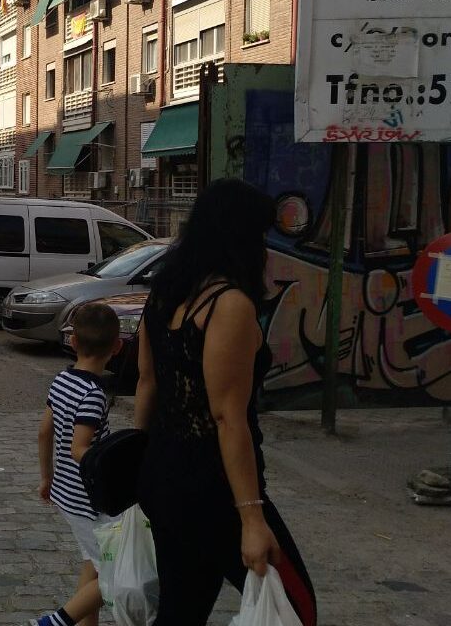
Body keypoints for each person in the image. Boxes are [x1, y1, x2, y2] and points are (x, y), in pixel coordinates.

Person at [133, 178, 316, 626]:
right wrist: (251, 519)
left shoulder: (165, 294)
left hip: (165, 474)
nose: (265, 247)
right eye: (259, 236)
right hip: (213, 488)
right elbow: (226, 416)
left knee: (182, 610)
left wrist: (140, 465)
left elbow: (147, 382)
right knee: (295, 606)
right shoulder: (227, 304)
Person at [29, 303, 122, 626]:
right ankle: (57, 621)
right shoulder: (94, 394)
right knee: (114, 572)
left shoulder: (62, 380)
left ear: (73, 342)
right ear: (117, 346)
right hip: (90, 500)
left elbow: (44, 432)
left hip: (67, 494)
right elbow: (80, 448)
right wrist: (116, 467)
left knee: (94, 562)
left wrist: (46, 478)